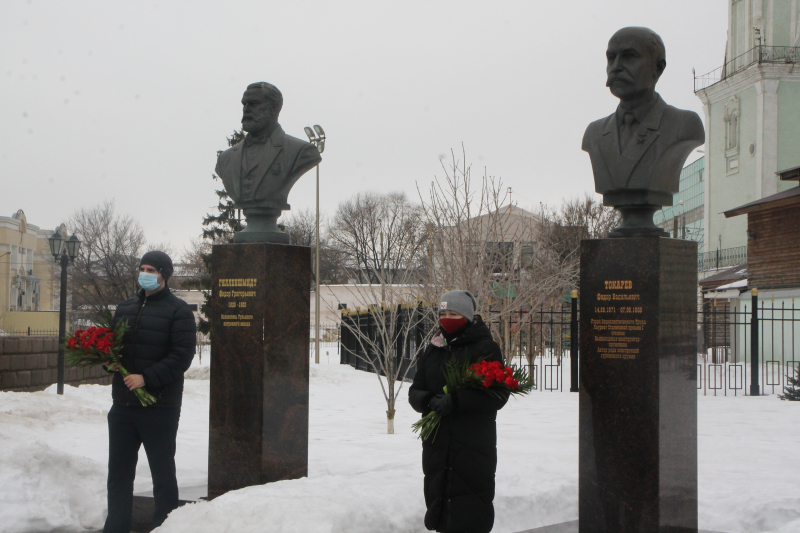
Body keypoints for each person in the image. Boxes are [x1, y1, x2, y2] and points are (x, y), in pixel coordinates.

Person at [102, 250, 196, 533]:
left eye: (152, 270)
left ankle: (164, 526)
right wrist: (108, 361)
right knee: (118, 474)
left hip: (159, 406)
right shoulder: (125, 307)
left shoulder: (179, 311)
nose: (146, 274)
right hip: (123, 406)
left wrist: (146, 379)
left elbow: (182, 357)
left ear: (164, 275)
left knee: (162, 474)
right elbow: (117, 348)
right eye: (143, 268)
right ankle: (116, 527)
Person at [581, 27, 704, 224]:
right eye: (611, 58)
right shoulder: (594, 134)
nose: (616, 66)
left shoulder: (684, 126)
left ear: (658, 67)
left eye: (629, 57)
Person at [409, 290, 508, 533]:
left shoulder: (485, 348)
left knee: (470, 511)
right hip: (437, 445)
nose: (446, 318)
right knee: (441, 507)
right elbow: (415, 391)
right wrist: (430, 401)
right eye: (442, 313)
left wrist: (456, 400)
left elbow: (497, 395)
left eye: (453, 313)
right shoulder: (433, 348)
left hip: (472, 445)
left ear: (466, 315)